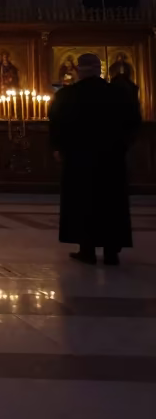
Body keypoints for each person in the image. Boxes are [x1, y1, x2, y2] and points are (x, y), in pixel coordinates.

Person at [49, 53, 141, 266]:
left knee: (83, 202)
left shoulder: (67, 95)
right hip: (111, 159)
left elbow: (57, 123)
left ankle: (87, 249)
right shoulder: (118, 94)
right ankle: (111, 252)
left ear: (79, 70)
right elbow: (133, 122)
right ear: (100, 69)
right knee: (111, 202)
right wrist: (122, 146)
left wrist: (58, 149)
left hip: (78, 159)